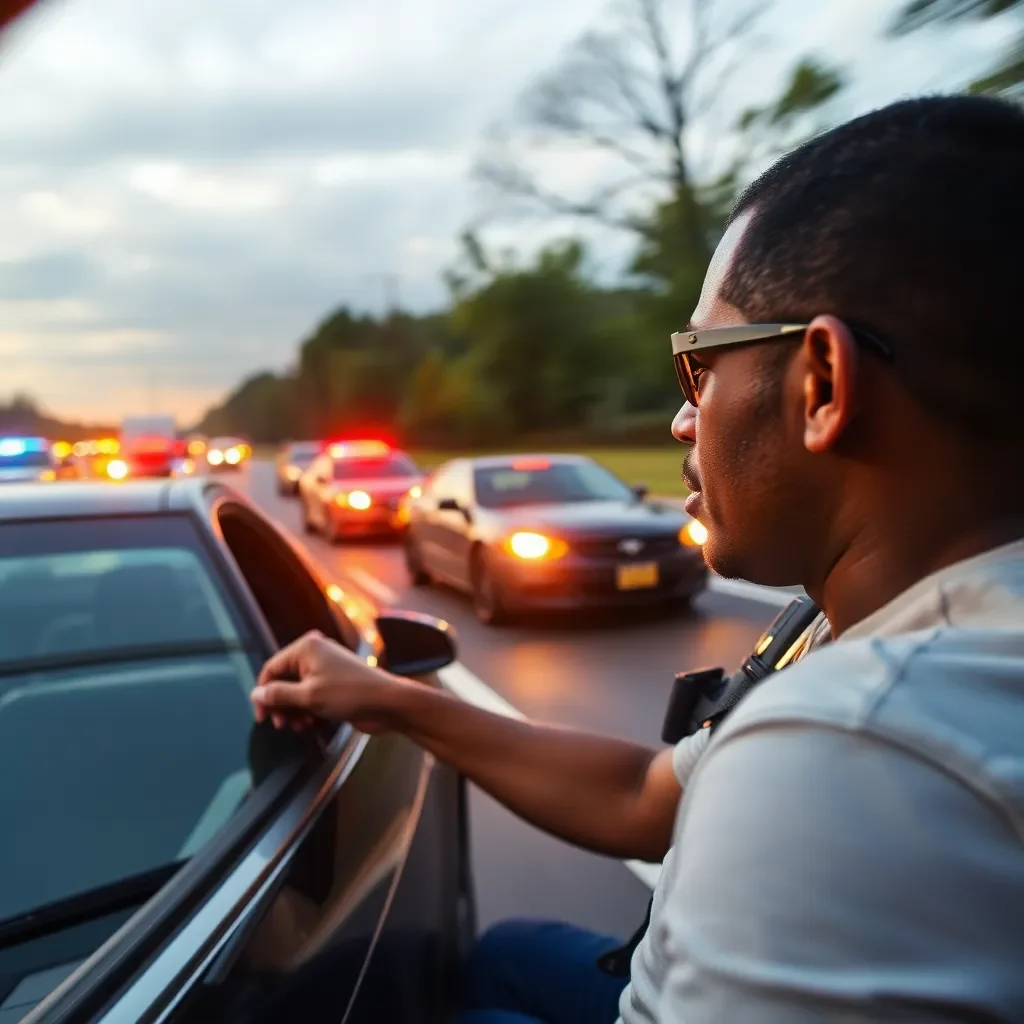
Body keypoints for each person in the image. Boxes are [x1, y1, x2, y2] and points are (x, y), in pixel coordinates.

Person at [253, 93, 1024, 1023]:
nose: (680, 420)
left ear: (821, 385)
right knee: (501, 954)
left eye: (699, 364)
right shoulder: (868, 620)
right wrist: (387, 697)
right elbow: (644, 796)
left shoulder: (846, 747)